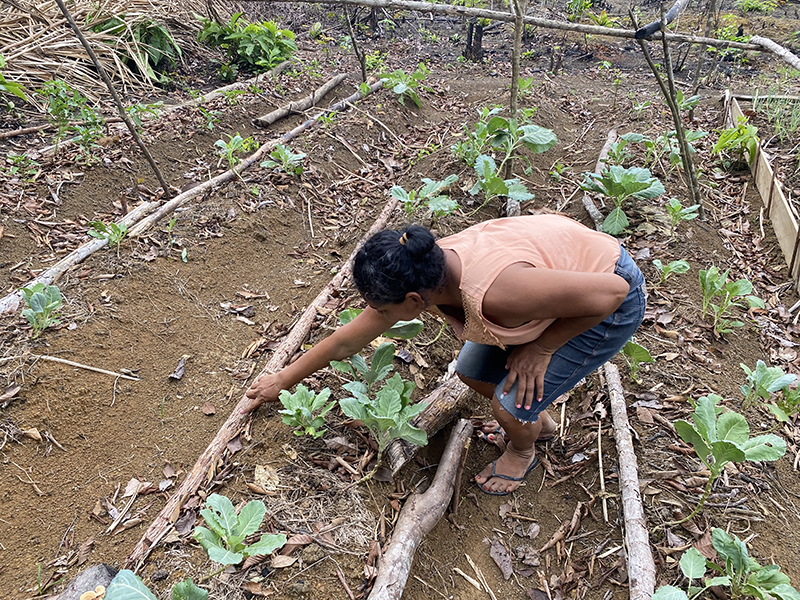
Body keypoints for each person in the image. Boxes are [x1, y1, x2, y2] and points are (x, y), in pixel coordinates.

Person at [243, 214, 646, 496]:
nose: (378, 317)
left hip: (609, 296)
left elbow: (612, 293)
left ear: (415, 300)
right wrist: (283, 380)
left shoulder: (499, 293)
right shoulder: (423, 267)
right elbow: (348, 340)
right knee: (471, 370)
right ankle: (535, 421)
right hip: (562, 277)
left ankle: (522, 449)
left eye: (383, 310)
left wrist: (541, 348)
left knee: (507, 407)